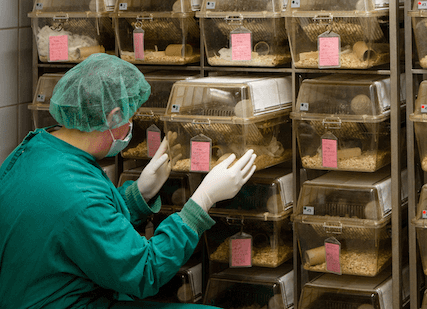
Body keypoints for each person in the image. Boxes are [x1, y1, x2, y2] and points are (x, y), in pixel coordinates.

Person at [0, 53, 257, 308]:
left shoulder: (36, 148)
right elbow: (145, 270)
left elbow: (82, 229)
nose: (131, 125)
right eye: (130, 117)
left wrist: (138, 196)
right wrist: (202, 200)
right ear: (112, 117)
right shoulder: (79, 194)